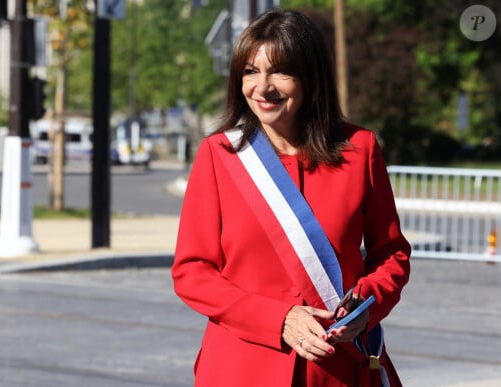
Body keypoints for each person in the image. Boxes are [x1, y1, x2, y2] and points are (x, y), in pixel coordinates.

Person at [171, 8, 411, 387]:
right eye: (250, 72)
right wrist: (278, 319)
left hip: (338, 369)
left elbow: (392, 254)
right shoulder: (219, 155)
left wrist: (366, 305)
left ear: (310, 77)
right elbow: (192, 272)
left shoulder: (359, 149)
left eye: (279, 71)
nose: (262, 88)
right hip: (241, 368)